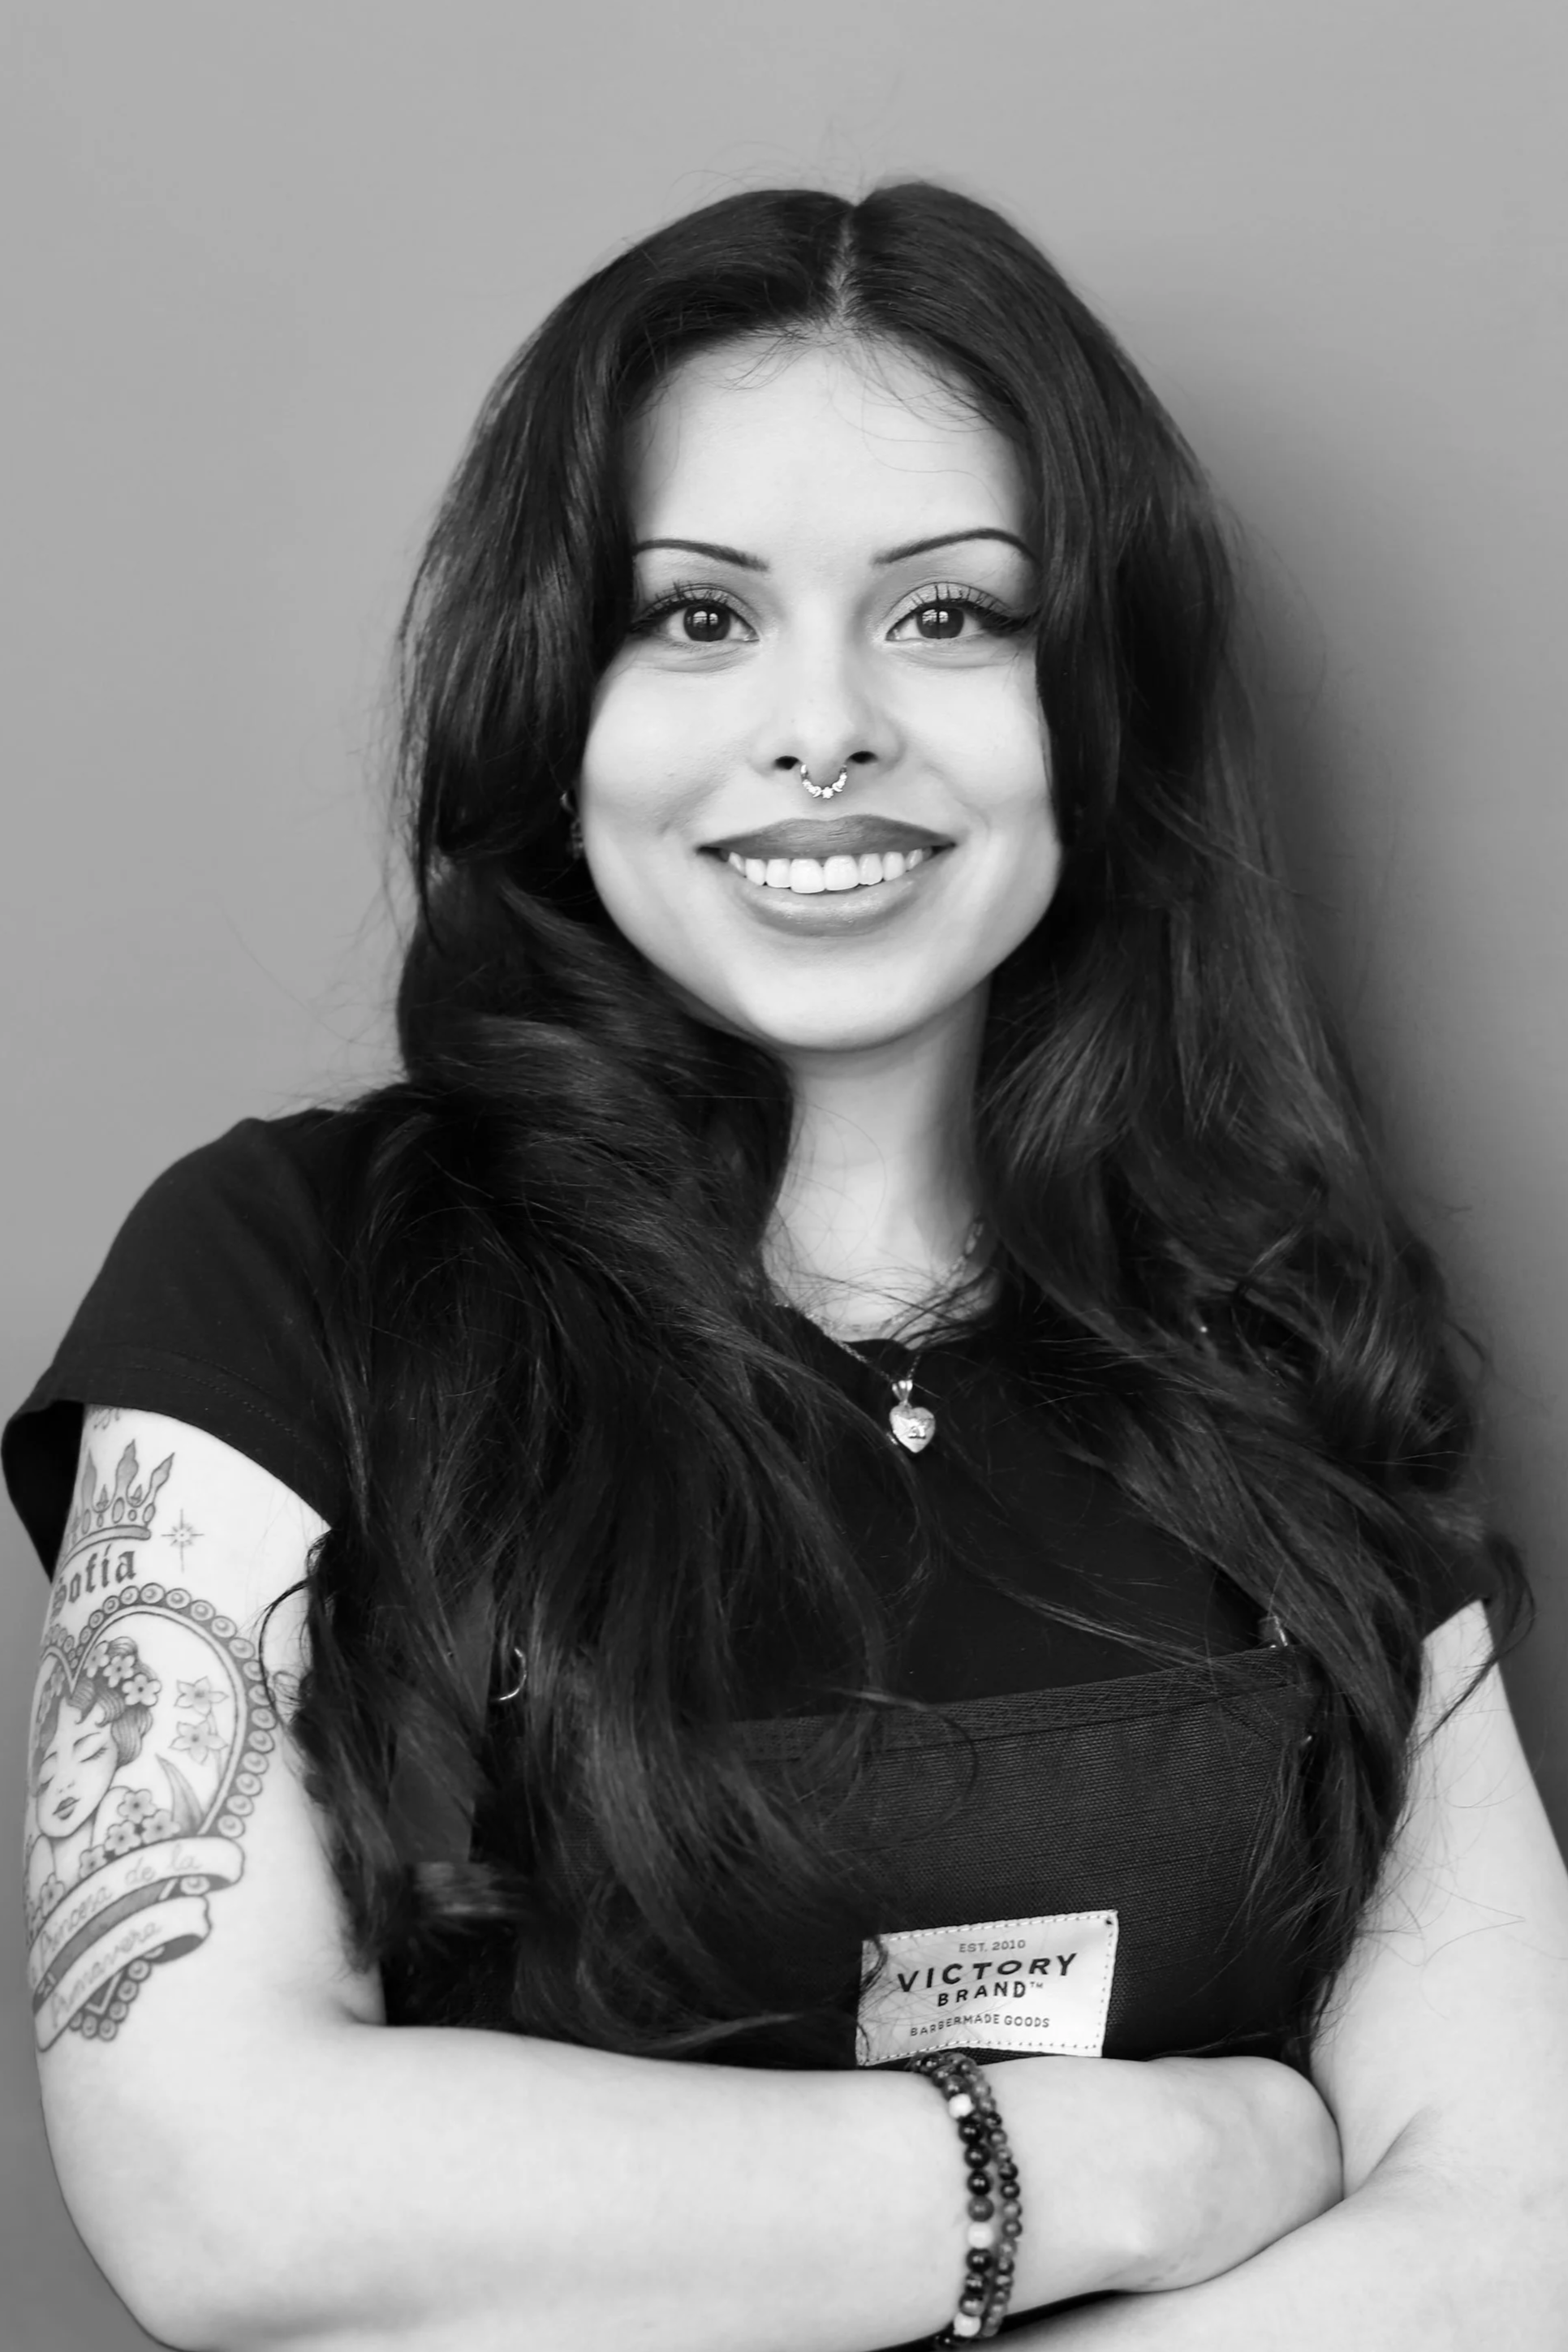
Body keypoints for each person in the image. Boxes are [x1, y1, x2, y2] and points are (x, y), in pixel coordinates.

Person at [6, 181, 1567, 2350]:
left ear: (1098, 711)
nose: (823, 723)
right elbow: (214, 2187)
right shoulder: (290, 1275)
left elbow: (1517, 2228)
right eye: (697, 616)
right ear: (554, 706)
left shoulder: (1282, 1324)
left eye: (950, 615)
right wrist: (1116, 2167)